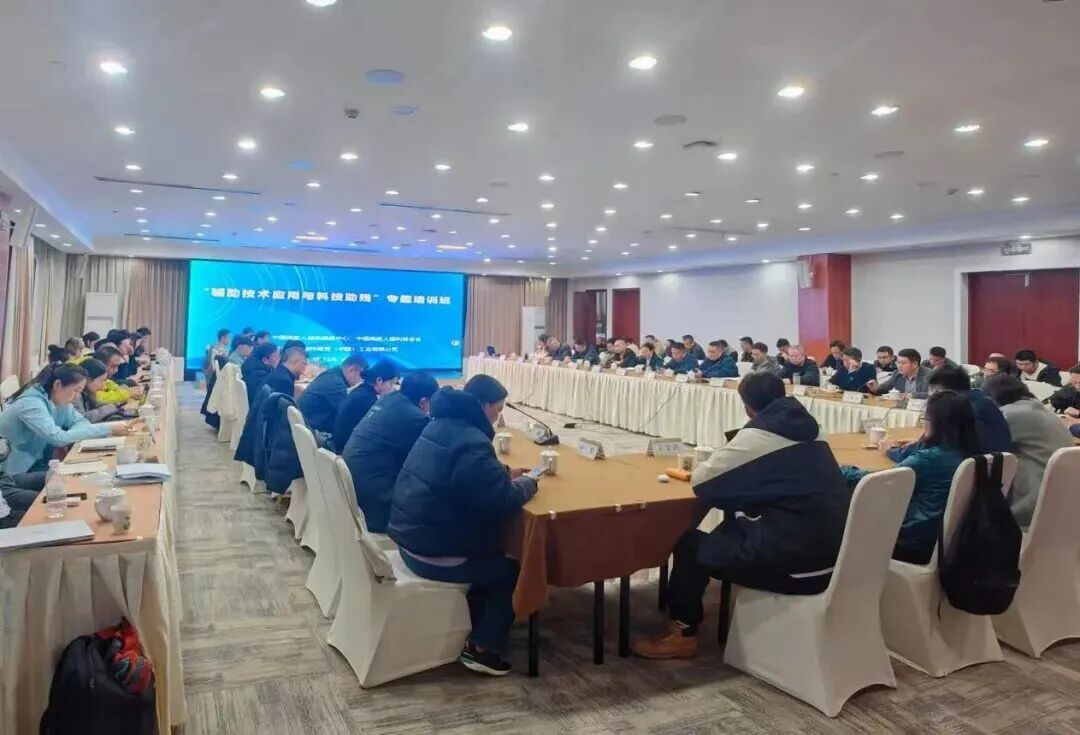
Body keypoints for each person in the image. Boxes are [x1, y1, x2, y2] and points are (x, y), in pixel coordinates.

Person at [632, 373, 849, 659]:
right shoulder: (814, 430)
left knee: (690, 544)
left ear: (747, 407)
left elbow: (703, 483)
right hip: (835, 558)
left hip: (795, 566)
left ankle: (681, 632)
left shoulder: (758, 436)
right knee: (729, 529)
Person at [388, 375, 538, 676]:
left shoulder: (439, 425)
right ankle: (481, 648)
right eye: (497, 409)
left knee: (493, 552)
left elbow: (464, 476)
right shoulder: (471, 441)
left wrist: (502, 472)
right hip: (431, 552)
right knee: (512, 569)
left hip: (409, 538)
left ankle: (472, 620)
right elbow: (501, 499)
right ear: (482, 406)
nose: (498, 417)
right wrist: (529, 483)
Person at [844, 390, 979, 564]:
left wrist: (841, 469)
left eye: (925, 419)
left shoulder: (929, 460)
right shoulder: (971, 452)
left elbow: (876, 481)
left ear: (938, 424)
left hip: (912, 541)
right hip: (948, 540)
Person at [342, 371, 440, 533]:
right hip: (376, 503)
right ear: (423, 402)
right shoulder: (416, 418)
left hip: (353, 489)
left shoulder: (388, 399)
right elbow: (430, 459)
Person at [983, 374, 1074, 528]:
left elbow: (979, 445)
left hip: (1032, 504)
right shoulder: (1043, 410)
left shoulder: (1008, 415)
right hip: (1066, 501)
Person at [0, 364, 127, 474]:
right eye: (76, 390)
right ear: (58, 385)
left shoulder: (57, 398)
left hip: (37, 463)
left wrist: (69, 435)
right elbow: (58, 438)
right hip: (14, 471)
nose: (76, 397)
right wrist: (108, 428)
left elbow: (80, 421)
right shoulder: (31, 404)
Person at [886, 366, 1012, 460]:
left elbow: (928, 450)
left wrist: (890, 450)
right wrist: (918, 442)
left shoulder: (956, 408)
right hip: (994, 468)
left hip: (968, 469)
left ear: (940, 391)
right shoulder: (983, 400)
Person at [332, 361, 400, 452]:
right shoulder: (368, 400)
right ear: (379, 380)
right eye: (392, 384)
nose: (393, 389)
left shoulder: (362, 391)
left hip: (339, 444)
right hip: (345, 450)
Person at [297, 353, 366, 435]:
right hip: (314, 431)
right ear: (352, 369)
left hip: (306, 426)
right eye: (362, 376)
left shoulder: (332, 375)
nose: (361, 380)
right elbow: (346, 414)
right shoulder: (336, 383)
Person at [72, 359, 122, 423]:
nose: (103, 385)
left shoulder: (87, 393)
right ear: (88, 380)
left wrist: (114, 406)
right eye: (101, 381)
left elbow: (96, 404)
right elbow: (83, 419)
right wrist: (108, 409)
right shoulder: (75, 395)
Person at [866, 348, 931, 398]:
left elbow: (934, 395)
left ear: (914, 364)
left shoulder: (930, 374)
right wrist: (875, 389)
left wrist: (912, 395)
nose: (899, 366)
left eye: (903, 363)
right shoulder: (897, 374)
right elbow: (885, 388)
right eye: (898, 362)